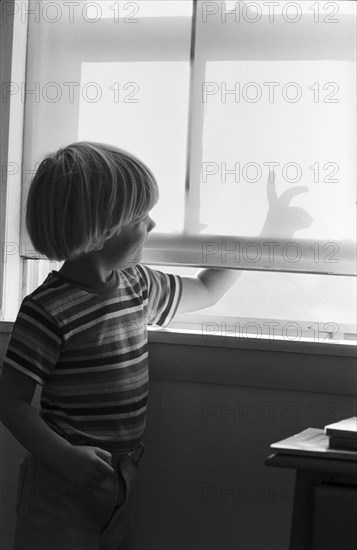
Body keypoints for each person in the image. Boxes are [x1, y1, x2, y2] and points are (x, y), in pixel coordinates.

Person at [0, 142, 240, 550]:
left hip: (122, 474)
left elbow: (206, 289)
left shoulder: (137, 286)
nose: (151, 225)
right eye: (139, 218)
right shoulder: (48, 309)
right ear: (101, 228)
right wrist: (64, 457)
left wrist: (261, 236)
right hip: (61, 482)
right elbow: (10, 401)